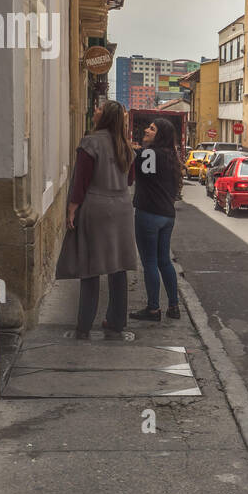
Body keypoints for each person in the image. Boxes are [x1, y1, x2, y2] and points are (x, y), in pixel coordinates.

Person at [57, 100, 138, 341]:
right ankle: (116, 324)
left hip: (96, 206)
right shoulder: (126, 146)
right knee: (118, 267)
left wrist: (72, 210)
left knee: (90, 267)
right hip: (122, 209)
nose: (95, 110)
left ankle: (83, 326)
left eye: (99, 109)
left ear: (105, 117)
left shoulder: (90, 143)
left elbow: (81, 180)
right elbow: (130, 180)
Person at [131, 116, 183, 322]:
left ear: (159, 135)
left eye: (151, 129)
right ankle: (174, 306)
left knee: (150, 262)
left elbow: (138, 171)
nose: (146, 130)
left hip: (149, 214)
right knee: (164, 261)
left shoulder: (150, 154)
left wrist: (140, 149)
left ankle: (153, 309)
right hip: (167, 216)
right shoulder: (171, 156)